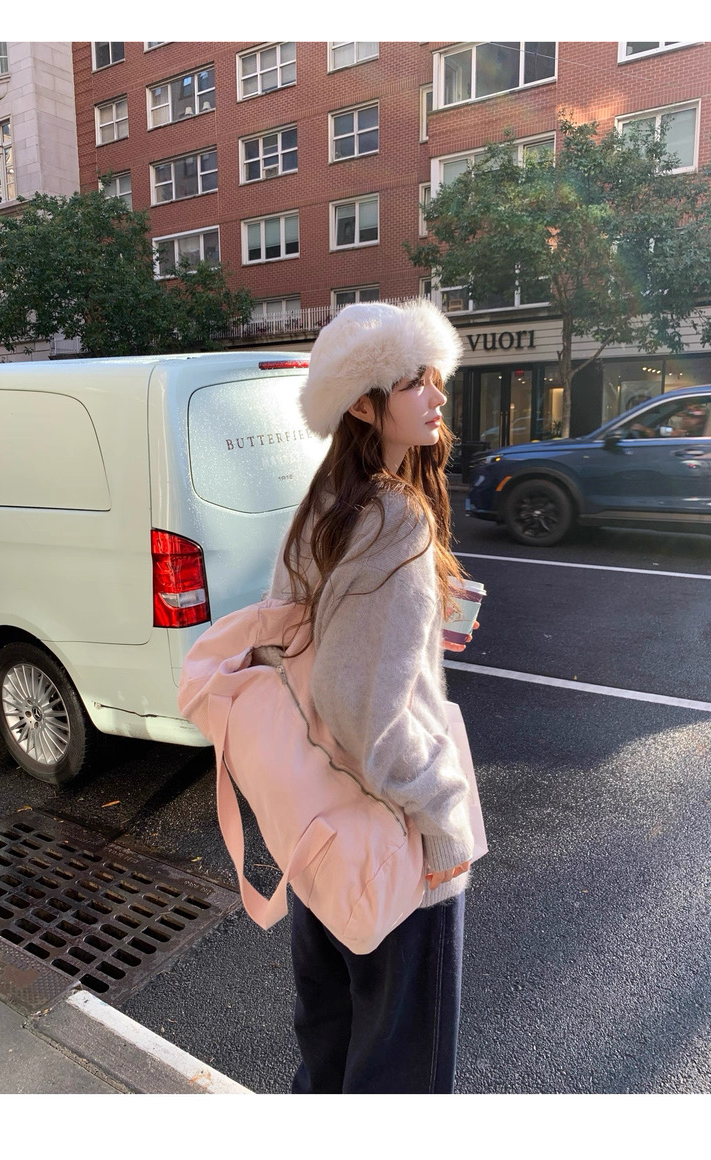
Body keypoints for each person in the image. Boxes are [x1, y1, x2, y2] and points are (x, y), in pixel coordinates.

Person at [266, 299, 480, 1095]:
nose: (437, 395)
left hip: (323, 831)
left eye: (435, 377)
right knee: (400, 1081)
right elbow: (361, 704)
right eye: (415, 381)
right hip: (395, 844)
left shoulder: (323, 506)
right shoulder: (395, 518)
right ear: (363, 404)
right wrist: (443, 816)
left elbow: (290, 655)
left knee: (329, 1052)